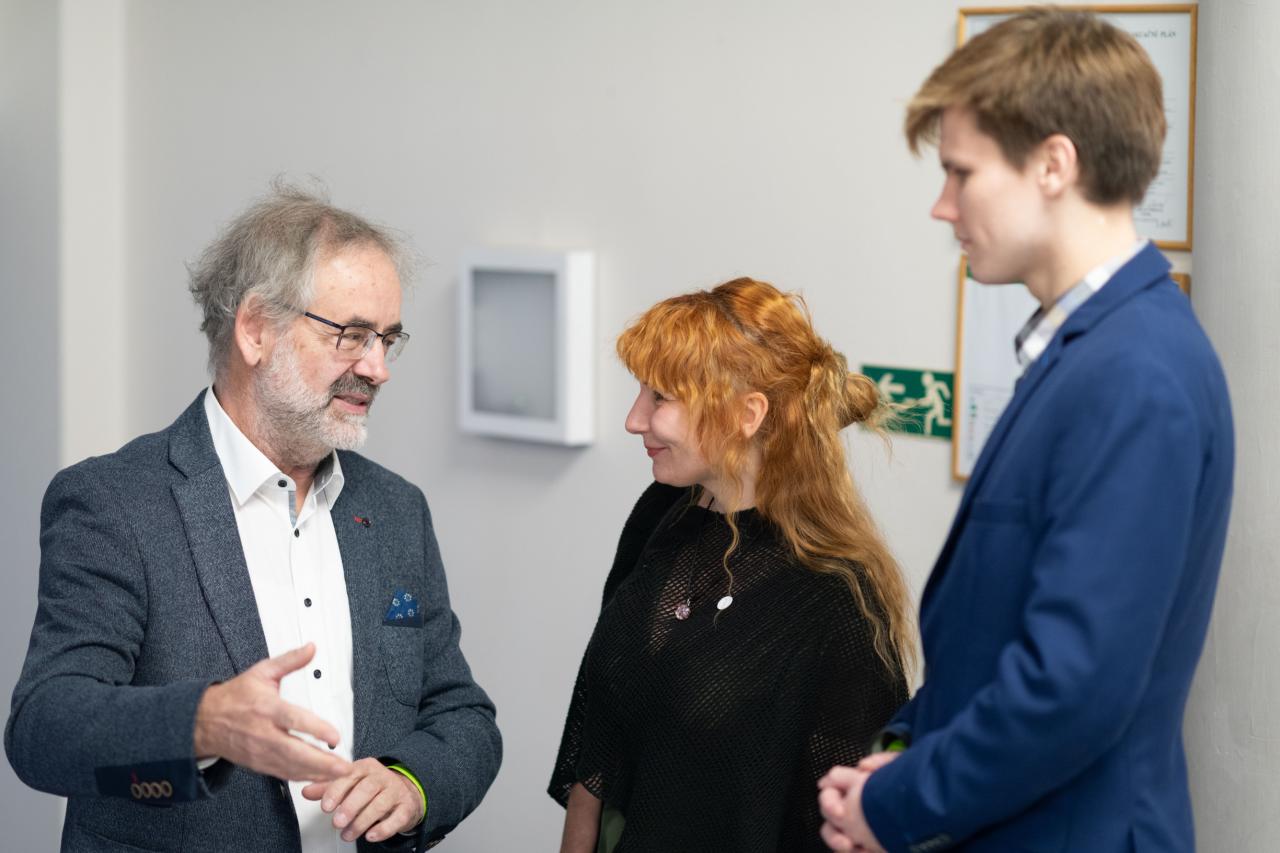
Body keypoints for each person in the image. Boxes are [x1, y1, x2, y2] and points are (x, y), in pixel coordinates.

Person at [818, 10, 1234, 853]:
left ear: (1054, 164)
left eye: (961, 173)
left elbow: (1074, 686)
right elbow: (999, 639)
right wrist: (901, 752)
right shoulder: (1087, 351)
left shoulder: (1134, 374)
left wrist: (897, 803)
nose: (942, 206)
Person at [5, 184, 502, 852]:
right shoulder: (114, 501)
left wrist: (412, 783)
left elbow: (462, 714)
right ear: (256, 329)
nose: (378, 368)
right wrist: (203, 723)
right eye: (352, 335)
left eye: (388, 339)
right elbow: (44, 729)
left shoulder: (394, 509)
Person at [549, 277, 914, 852]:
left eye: (660, 398)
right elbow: (597, 726)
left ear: (748, 413)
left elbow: (853, 819)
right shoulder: (661, 515)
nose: (634, 420)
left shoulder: (834, 598)